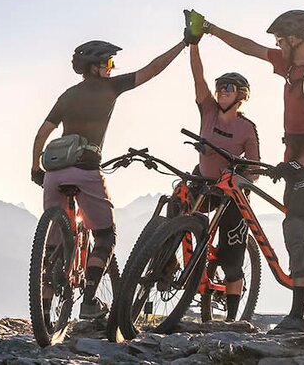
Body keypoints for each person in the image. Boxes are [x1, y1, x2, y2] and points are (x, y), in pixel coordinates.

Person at [198, 9, 304, 334]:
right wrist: (211, 29)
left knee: (295, 226)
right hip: (295, 159)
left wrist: (301, 164)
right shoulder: (291, 66)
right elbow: (249, 47)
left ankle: (298, 316)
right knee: (298, 226)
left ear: (295, 39)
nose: (277, 46)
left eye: (280, 40)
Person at [31, 38, 188, 319]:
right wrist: (183, 45)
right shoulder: (110, 88)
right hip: (86, 170)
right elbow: (152, 70)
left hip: (54, 173)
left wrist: (35, 169)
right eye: (109, 63)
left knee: (52, 245)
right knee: (105, 237)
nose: (112, 69)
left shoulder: (67, 95)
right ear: (95, 68)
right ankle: (89, 302)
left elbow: (42, 133)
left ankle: (43, 312)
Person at [187, 42, 262, 321]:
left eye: (228, 88)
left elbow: (254, 171)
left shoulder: (247, 128)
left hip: (232, 194)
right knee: (175, 202)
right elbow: (198, 77)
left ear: (241, 95)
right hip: (203, 184)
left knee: (233, 257)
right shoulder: (207, 110)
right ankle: (169, 260)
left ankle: (232, 318)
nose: (220, 92)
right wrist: (193, 45)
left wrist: (241, 176)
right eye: (220, 87)